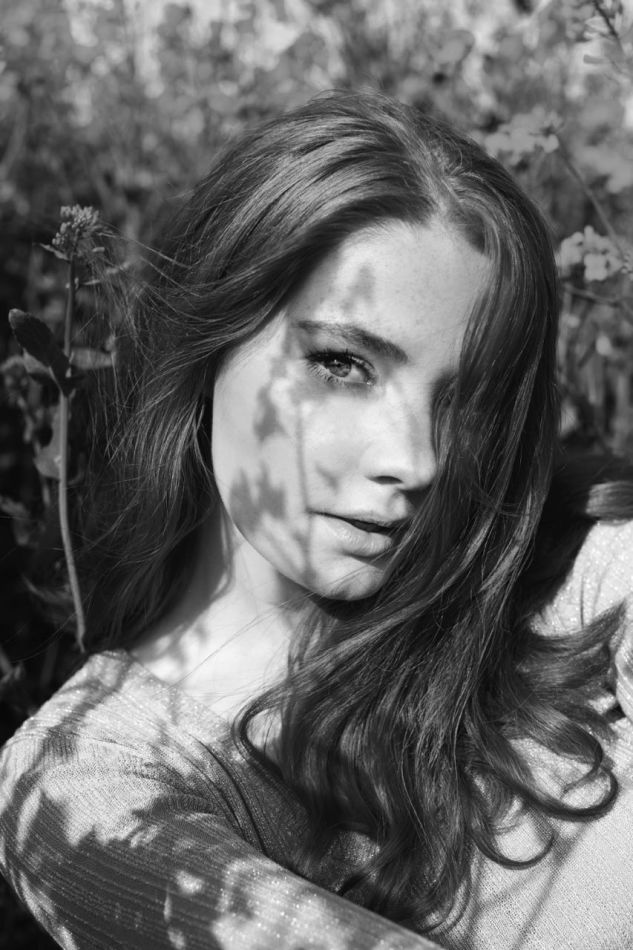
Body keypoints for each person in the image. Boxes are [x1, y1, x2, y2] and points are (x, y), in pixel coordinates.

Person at [1, 91, 632, 950]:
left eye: (468, 402)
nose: (417, 461)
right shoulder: (88, 784)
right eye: (342, 364)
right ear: (206, 337)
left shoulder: (582, 564)